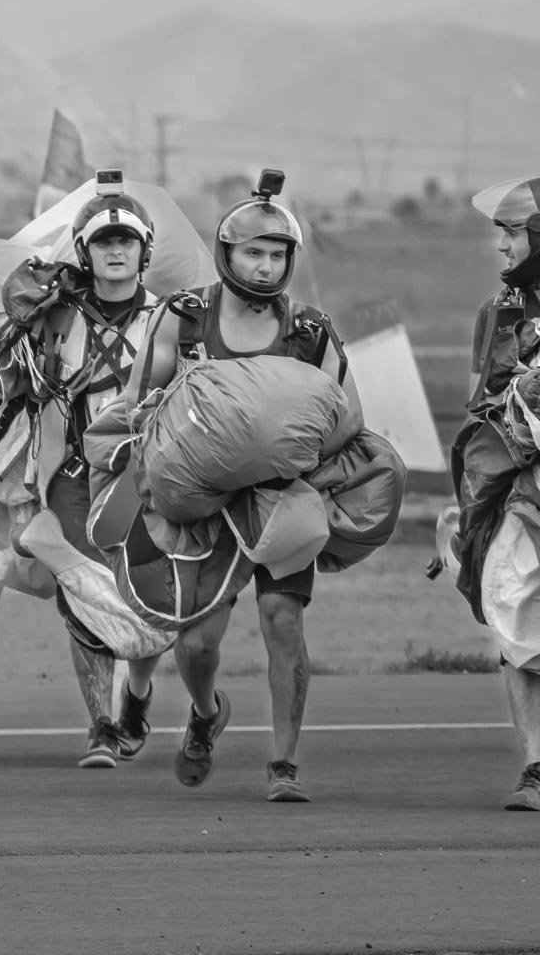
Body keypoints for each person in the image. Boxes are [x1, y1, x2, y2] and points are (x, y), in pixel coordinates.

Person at [125, 171, 357, 802]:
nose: (265, 266)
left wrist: (289, 459)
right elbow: (139, 406)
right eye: (253, 252)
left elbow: (348, 417)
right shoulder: (185, 318)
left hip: (282, 501)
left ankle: (284, 764)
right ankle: (205, 713)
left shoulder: (310, 331)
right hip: (203, 506)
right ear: (227, 253)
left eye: (277, 255)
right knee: (197, 643)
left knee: (283, 621)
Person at [0, 174, 164, 768]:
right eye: (103, 242)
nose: (115, 250)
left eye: (126, 241)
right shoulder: (54, 317)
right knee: (83, 594)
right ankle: (102, 726)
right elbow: (6, 386)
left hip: (150, 475)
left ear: (145, 250)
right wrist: (17, 323)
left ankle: (136, 697)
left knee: (149, 595)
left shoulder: (172, 320)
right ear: (84, 252)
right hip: (74, 474)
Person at [448, 176, 540, 810]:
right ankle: (536, 768)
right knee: (513, 609)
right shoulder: (498, 313)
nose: (501, 246)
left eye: (511, 233)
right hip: (516, 492)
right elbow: (479, 405)